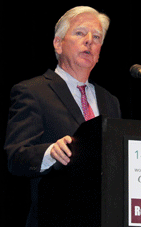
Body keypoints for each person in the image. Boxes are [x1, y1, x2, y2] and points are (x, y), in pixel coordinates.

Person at [4, 6, 120, 227]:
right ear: (58, 43)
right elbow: (16, 157)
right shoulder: (33, 92)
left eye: (96, 37)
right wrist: (50, 152)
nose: (89, 41)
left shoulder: (110, 101)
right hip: (54, 218)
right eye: (80, 33)